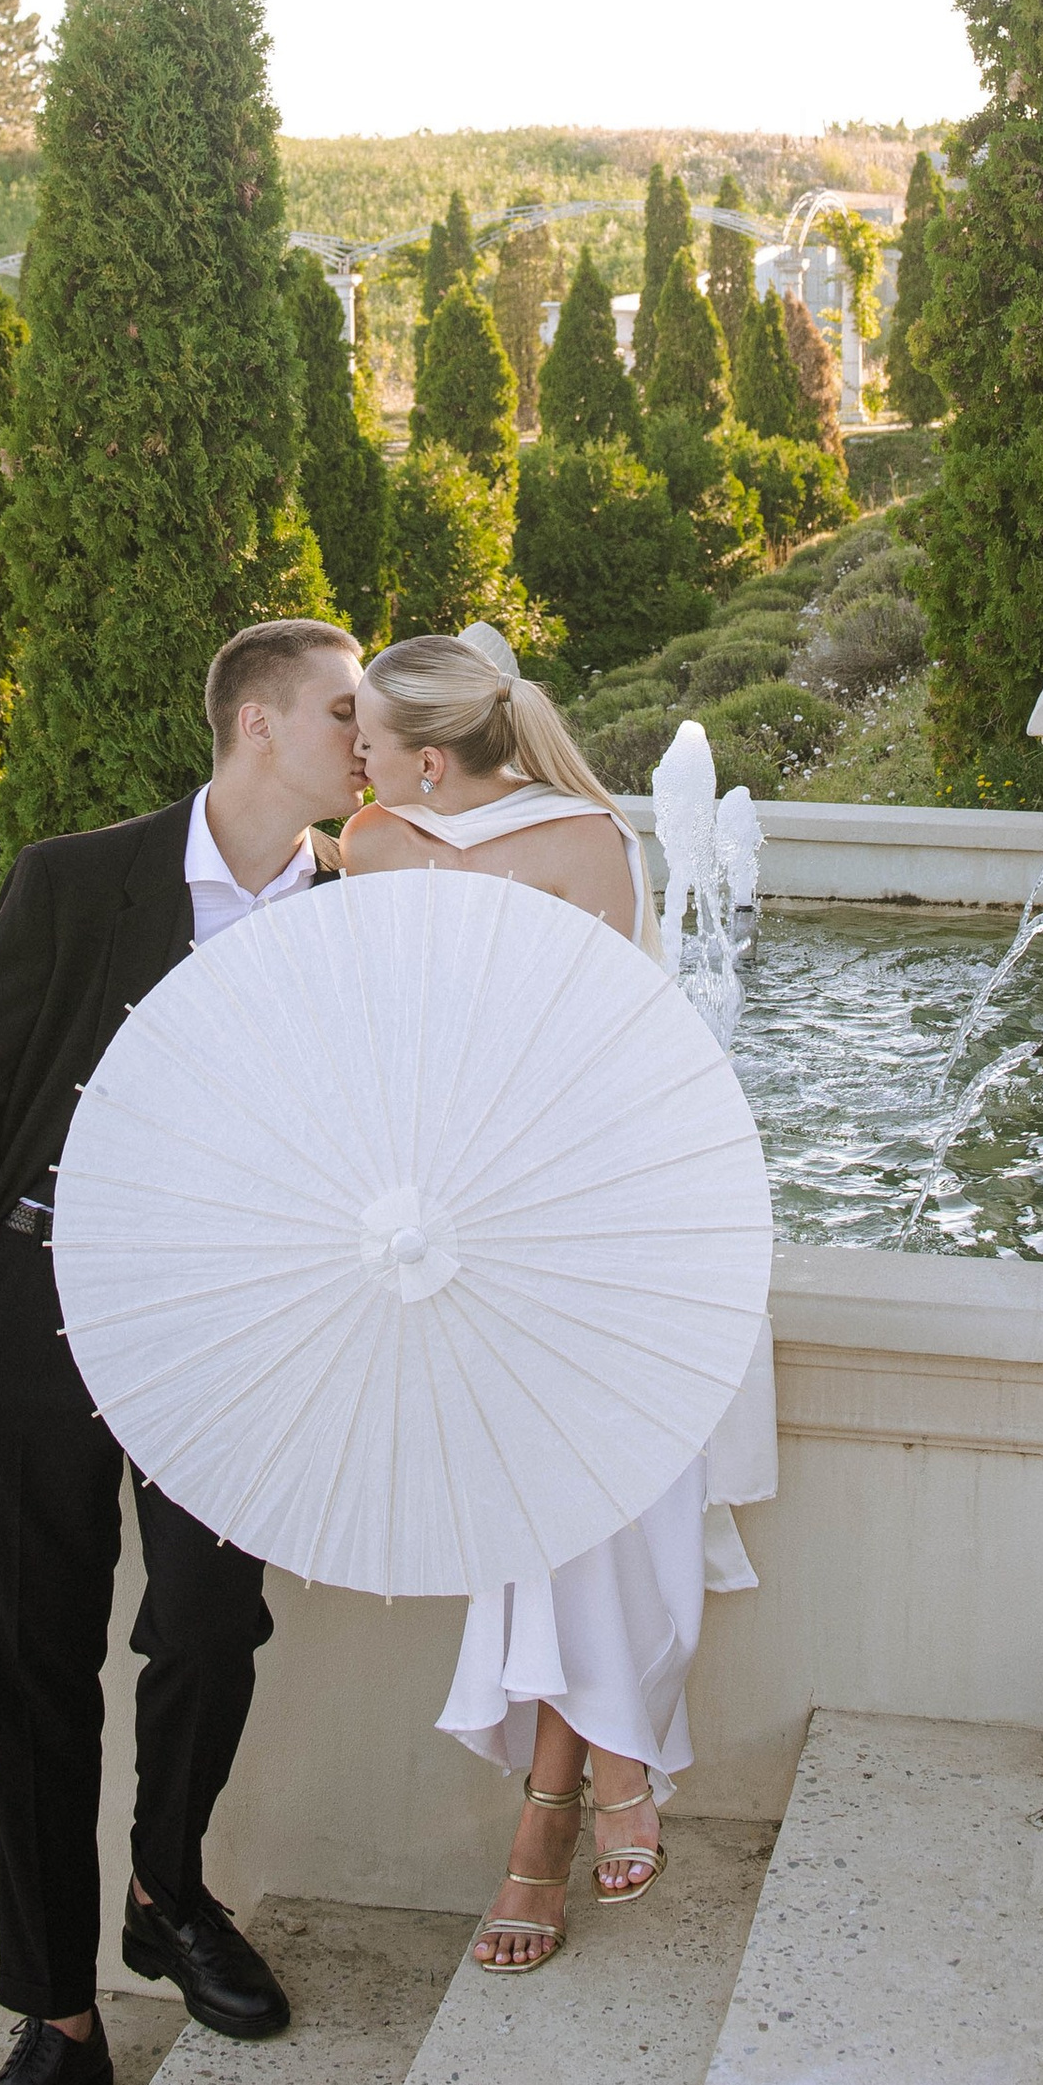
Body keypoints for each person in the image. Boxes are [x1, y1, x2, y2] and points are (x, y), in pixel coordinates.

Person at [0, 617, 367, 2085]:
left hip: (225, 1339)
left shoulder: (363, 916)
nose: (371, 733)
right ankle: (58, 2027)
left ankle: (166, 1888)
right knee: (32, 1671)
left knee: (214, 1626)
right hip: (32, 1318)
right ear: (257, 728)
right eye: (346, 710)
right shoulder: (78, 881)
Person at [340, 625, 775, 1974]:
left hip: (606, 1203)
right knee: (555, 1504)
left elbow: (606, 1053)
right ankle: (613, 1766)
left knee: (602, 1491)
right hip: (449, 1218)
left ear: (424, 756)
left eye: (362, 736)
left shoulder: (586, 841)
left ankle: (548, 1823)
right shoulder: (373, 841)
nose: (346, 755)